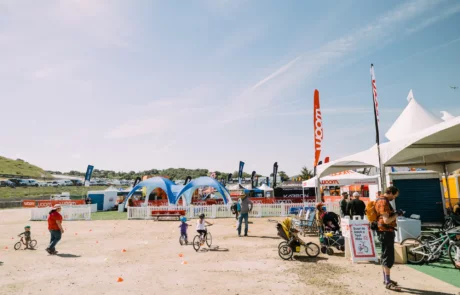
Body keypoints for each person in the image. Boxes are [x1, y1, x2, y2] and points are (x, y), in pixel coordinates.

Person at [375, 186, 401, 291]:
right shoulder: (384, 202)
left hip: (383, 231)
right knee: (387, 256)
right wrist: (397, 214)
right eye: (394, 195)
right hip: (386, 231)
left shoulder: (379, 199)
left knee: (385, 254)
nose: (394, 198)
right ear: (390, 193)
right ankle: (387, 281)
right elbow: (386, 220)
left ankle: (386, 278)